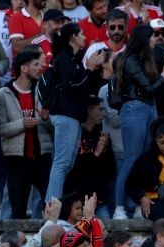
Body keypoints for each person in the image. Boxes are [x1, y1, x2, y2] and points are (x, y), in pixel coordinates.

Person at [111, 24, 164, 220]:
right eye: (153, 36)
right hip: (135, 108)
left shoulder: (145, 59)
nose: (156, 40)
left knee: (145, 159)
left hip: (149, 107)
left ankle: (138, 203)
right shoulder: (129, 59)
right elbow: (148, 88)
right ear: (144, 40)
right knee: (131, 159)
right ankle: (119, 207)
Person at [44, 24, 105, 203]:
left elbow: (85, 86)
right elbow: (72, 85)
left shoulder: (74, 59)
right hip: (65, 114)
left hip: (73, 115)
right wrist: (89, 69)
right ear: (73, 37)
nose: (85, 37)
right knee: (61, 163)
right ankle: (52, 205)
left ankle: (54, 202)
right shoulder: (64, 59)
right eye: (82, 34)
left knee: (67, 163)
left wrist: (92, 68)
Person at [0, 48, 52, 219]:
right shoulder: (4, 93)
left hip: (42, 156)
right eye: (35, 64)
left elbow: (53, 127)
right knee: (18, 209)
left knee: (50, 204)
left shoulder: (42, 90)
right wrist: (22, 124)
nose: (40, 68)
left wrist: (45, 118)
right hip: (16, 158)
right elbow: (1, 128)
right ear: (23, 68)